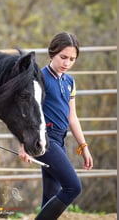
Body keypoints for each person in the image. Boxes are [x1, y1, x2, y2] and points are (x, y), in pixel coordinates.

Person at [19, 32, 93, 220]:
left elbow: (72, 117)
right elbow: (28, 114)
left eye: (72, 59)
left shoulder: (69, 81)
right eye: (63, 57)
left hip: (60, 139)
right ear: (52, 53)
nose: (67, 63)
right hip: (44, 140)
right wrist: (24, 145)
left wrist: (83, 147)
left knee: (51, 195)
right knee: (73, 187)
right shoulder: (39, 78)